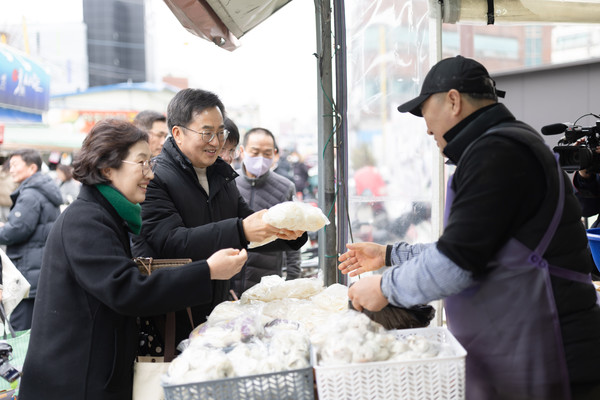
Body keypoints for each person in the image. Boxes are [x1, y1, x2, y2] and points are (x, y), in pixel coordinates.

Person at [338, 55, 600, 399]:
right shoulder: (500, 145)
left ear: (453, 100)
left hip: (552, 350)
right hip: (522, 348)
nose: (426, 127)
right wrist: (389, 254)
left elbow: (455, 265)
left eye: (424, 112)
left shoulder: (498, 152)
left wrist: (384, 288)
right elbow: (478, 250)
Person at [19, 119, 247, 400]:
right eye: (142, 163)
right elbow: (127, 290)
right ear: (107, 168)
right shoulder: (86, 220)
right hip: (76, 382)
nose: (150, 174)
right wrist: (208, 270)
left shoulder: (106, 215)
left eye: (150, 163)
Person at [131, 88, 307, 346]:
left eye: (220, 132)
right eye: (206, 133)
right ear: (178, 133)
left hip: (216, 310)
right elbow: (170, 241)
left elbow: (248, 221)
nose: (216, 141)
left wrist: (287, 232)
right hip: (172, 313)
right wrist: (241, 231)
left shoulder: (220, 175)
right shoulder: (155, 177)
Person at [232, 127, 301, 296]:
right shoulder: (228, 182)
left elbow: (294, 237)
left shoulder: (285, 188)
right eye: (254, 152)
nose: (261, 158)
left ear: (275, 154)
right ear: (242, 151)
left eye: (267, 153)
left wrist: (292, 279)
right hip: (229, 282)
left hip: (266, 285)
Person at [0, 149, 62, 330]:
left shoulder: (30, 194)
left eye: (15, 165)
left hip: (27, 270)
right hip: (39, 268)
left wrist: (4, 229)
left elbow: (17, 231)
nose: (11, 170)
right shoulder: (43, 189)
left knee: (22, 329)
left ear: (32, 167)